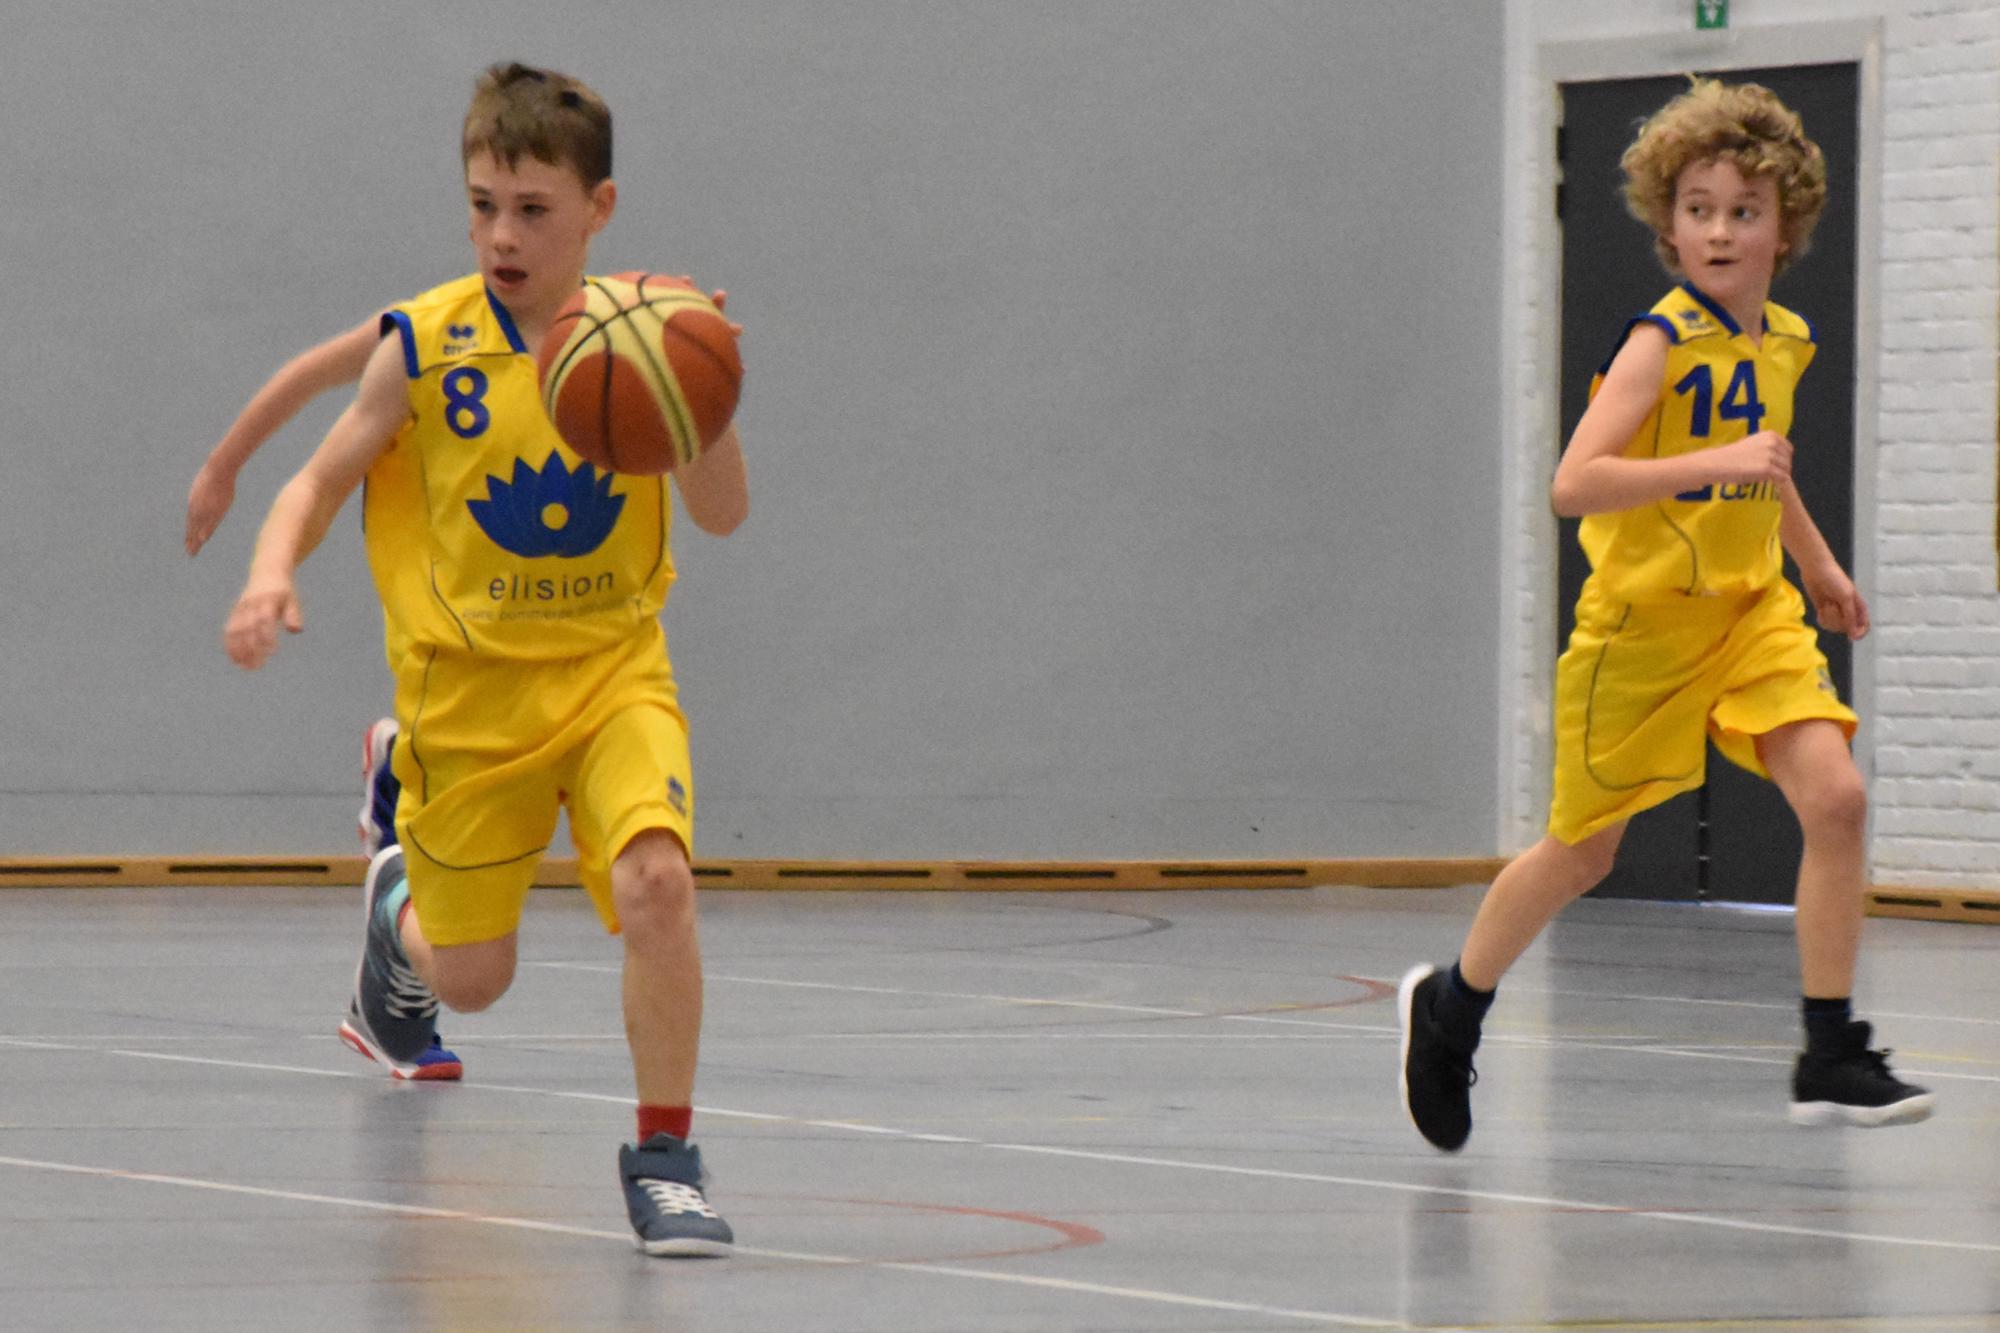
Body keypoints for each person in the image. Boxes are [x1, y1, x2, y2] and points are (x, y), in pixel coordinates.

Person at [223, 61, 749, 1256]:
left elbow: (721, 515)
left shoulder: (646, 334)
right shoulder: (427, 346)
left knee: (658, 884)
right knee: (471, 981)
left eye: (531, 210)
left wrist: (704, 401)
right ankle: (393, 902)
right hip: (468, 699)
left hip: (614, 674)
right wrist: (269, 569)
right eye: (482, 206)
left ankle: (666, 1159)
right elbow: (317, 478)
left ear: (598, 209)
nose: (502, 235)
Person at [1397, 80, 1932, 1153]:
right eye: (1698, 209)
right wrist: (1711, 462)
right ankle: (1451, 1006)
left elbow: (1763, 470)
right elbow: (1574, 483)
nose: (1719, 230)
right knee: (1582, 855)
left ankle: (1827, 1049)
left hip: (1749, 615)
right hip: (1639, 633)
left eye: (1743, 210)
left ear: (1785, 227)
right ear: (1668, 224)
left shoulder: (1781, 338)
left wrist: (1816, 563)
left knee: (1835, 799)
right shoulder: (1659, 341)